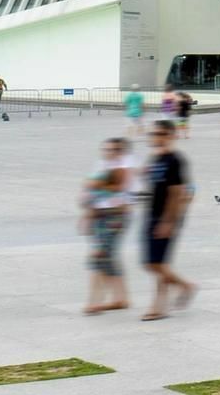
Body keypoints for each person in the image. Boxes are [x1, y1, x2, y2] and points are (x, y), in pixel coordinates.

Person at [141, 120, 196, 320]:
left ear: (172, 135)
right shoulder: (156, 158)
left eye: (162, 133)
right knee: (156, 263)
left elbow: (177, 193)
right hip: (153, 213)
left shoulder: (175, 160)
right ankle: (160, 304)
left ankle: (181, 289)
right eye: (154, 133)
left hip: (165, 217)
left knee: (155, 263)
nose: (157, 136)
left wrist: (168, 221)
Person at [79, 137, 131, 315]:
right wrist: (87, 214)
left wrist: (97, 184)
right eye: (107, 149)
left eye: (114, 150)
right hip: (99, 216)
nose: (110, 153)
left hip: (115, 217)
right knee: (107, 257)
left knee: (99, 255)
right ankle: (120, 297)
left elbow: (119, 188)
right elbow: (91, 191)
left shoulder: (124, 168)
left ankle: (95, 300)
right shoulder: (101, 166)